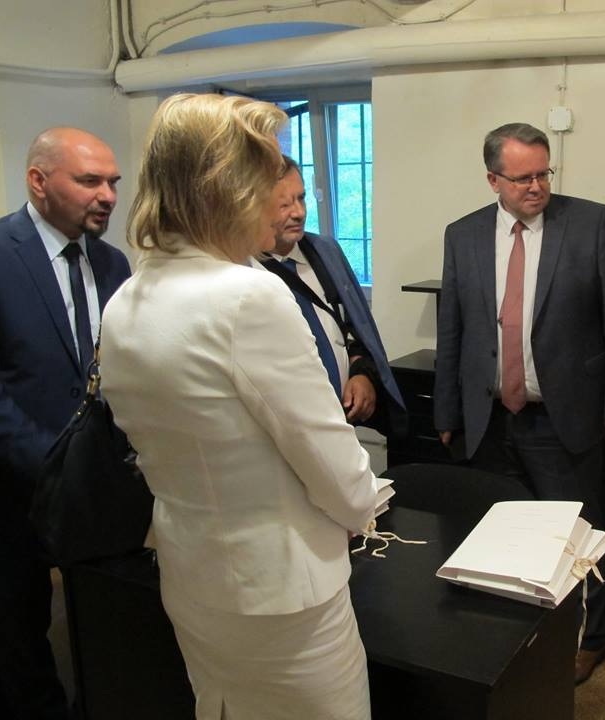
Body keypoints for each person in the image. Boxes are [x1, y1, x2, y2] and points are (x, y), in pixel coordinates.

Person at [99, 94, 377, 720]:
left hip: (193, 574)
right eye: (267, 176)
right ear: (228, 187)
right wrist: (363, 506)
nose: (278, 195)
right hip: (284, 592)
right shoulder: (250, 296)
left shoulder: (127, 299)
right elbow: (333, 465)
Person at [433, 122, 605, 685]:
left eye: (543, 173)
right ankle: (513, 637)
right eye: (522, 177)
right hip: (489, 418)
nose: (536, 186)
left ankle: (588, 639)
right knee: (501, 534)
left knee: (576, 536)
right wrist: (447, 412)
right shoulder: (463, 235)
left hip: (562, 416)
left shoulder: (589, 222)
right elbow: (453, 328)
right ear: (493, 180)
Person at [0, 127, 129, 720]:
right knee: (20, 635)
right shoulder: (2, 255)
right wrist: (51, 463)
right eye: (90, 181)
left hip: (101, 486)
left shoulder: (113, 263)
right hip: (16, 489)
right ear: (39, 181)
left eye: (113, 183)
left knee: (102, 620)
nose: (108, 196)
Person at [259, 155, 406, 434]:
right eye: (284, 204)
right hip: (288, 428)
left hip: (341, 424)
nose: (298, 212)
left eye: (301, 198)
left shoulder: (325, 251)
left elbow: (353, 328)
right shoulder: (243, 273)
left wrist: (362, 374)